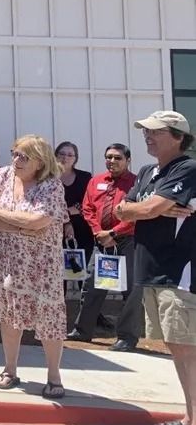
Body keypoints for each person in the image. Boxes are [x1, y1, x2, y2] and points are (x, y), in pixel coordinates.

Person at [114, 111, 196, 425]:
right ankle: (190, 416)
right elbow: (120, 209)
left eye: (156, 132)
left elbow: (147, 208)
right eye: (146, 131)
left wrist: (148, 208)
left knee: (188, 350)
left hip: (179, 272)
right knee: (176, 349)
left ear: (177, 136)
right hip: (152, 269)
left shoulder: (187, 168)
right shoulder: (148, 172)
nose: (147, 136)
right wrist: (147, 208)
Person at [0, 135, 69, 399]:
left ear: (40, 162)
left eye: (23, 156)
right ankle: (10, 369)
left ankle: (54, 376)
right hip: (7, 259)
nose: (16, 160)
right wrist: (23, 225)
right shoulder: (3, 176)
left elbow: (40, 220)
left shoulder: (51, 184)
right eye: (14, 153)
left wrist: (7, 220)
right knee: (9, 315)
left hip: (43, 264)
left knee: (49, 318)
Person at [67, 144, 143, 351]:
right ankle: (82, 332)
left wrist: (113, 233)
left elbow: (136, 214)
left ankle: (127, 337)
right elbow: (88, 208)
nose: (112, 161)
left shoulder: (137, 183)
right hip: (101, 242)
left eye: (118, 158)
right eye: (108, 157)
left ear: (128, 160)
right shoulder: (96, 181)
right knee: (92, 287)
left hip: (127, 241)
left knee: (130, 291)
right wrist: (99, 232)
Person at [56, 141, 94, 261]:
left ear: (75, 158)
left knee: (79, 272)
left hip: (82, 230)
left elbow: (89, 203)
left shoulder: (85, 177)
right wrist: (67, 214)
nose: (65, 158)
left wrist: (65, 211)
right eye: (61, 154)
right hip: (56, 230)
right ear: (55, 155)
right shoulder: (48, 178)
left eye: (70, 155)